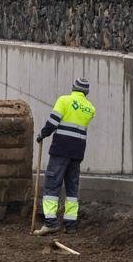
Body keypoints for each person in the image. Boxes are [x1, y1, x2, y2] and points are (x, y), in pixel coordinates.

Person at [34, 78, 96, 236]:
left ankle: (51, 223)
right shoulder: (90, 108)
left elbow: (53, 122)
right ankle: (70, 225)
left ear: (73, 88)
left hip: (61, 149)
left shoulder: (64, 100)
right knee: (72, 189)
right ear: (86, 92)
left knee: (51, 185)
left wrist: (42, 134)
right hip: (78, 151)